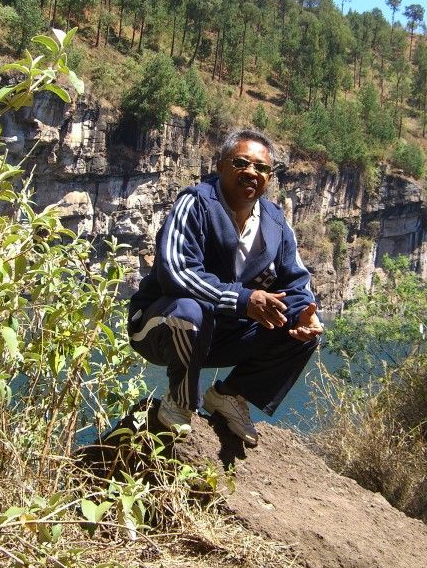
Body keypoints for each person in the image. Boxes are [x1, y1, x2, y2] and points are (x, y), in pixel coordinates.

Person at [127, 129, 324, 446]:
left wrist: (306, 314)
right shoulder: (195, 204)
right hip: (161, 327)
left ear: (270, 177)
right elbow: (177, 272)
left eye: (261, 167)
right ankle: (180, 398)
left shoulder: (275, 222)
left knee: (299, 330)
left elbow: (296, 281)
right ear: (220, 166)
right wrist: (243, 300)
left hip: (220, 334)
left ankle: (230, 394)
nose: (251, 172)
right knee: (190, 310)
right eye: (241, 163)